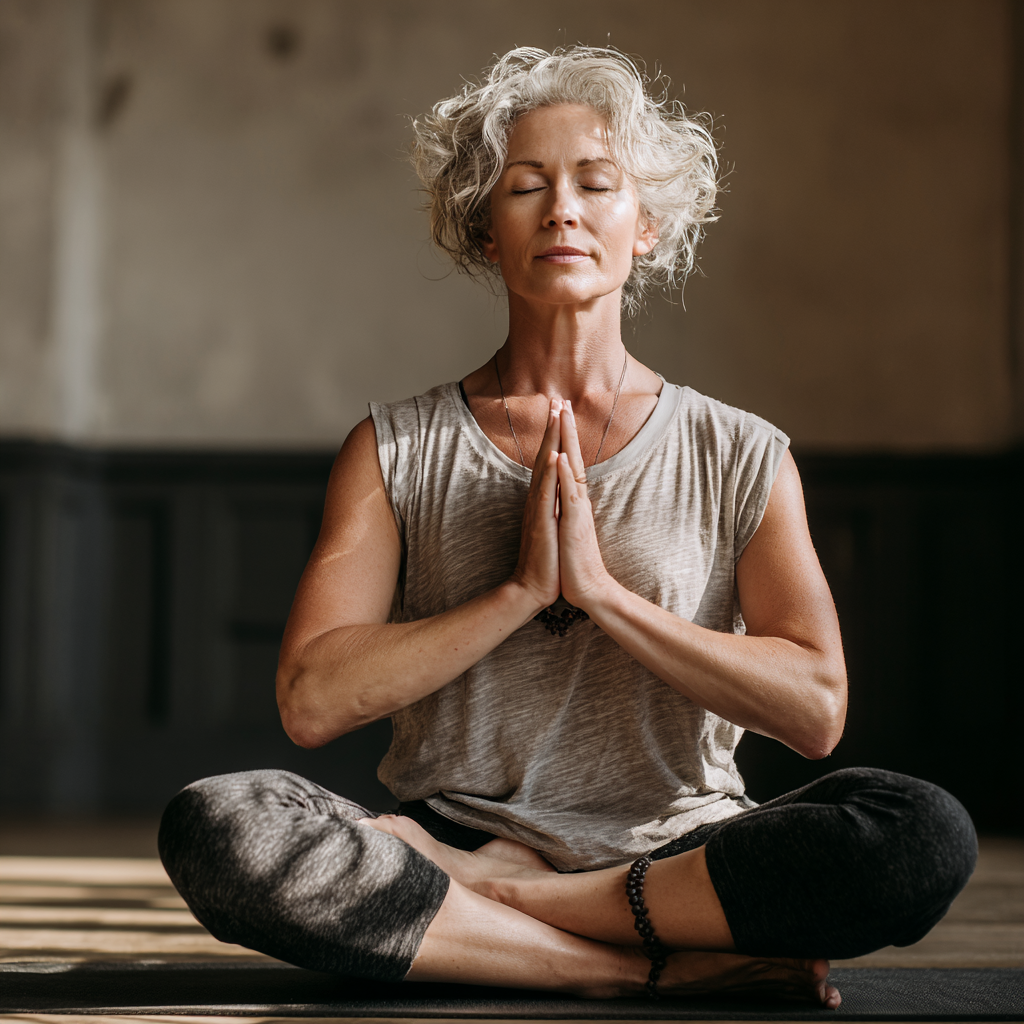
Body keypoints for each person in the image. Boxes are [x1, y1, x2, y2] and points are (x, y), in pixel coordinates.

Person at [158, 46, 976, 1006]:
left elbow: (815, 709)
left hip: (677, 852)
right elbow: (311, 700)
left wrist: (603, 597)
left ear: (647, 226)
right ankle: (631, 968)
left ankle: (505, 910)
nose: (561, 211)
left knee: (920, 834)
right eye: (525, 187)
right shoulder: (393, 448)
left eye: (596, 183)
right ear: (485, 229)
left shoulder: (739, 451)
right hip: (455, 834)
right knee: (223, 822)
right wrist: (517, 595)